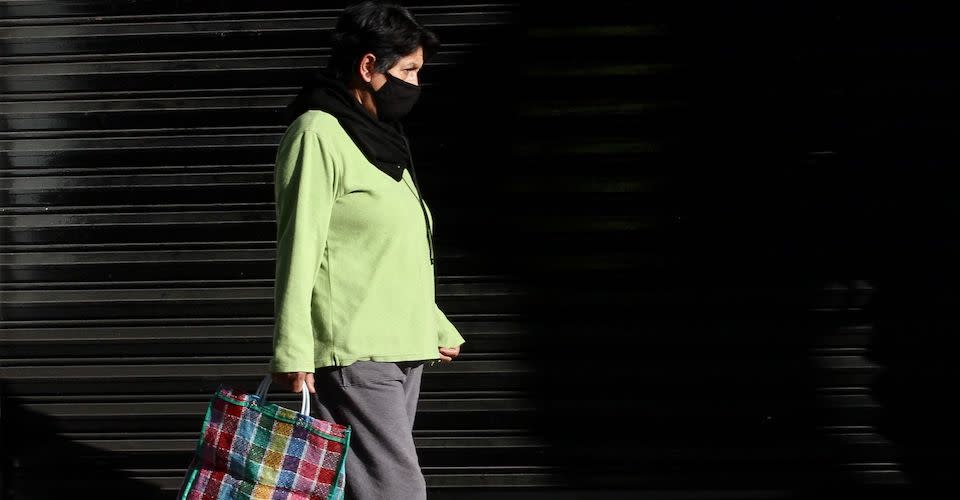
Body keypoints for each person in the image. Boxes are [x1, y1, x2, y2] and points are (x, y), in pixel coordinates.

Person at [268, 1, 465, 498]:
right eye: (408, 71)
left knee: (365, 488)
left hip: (404, 347)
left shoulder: (382, 140)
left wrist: (433, 322)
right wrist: (293, 350)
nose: (416, 85)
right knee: (397, 490)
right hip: (355, 351)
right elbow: (300, 246)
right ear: (368, 66)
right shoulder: (318, 133)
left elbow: (392, 252)